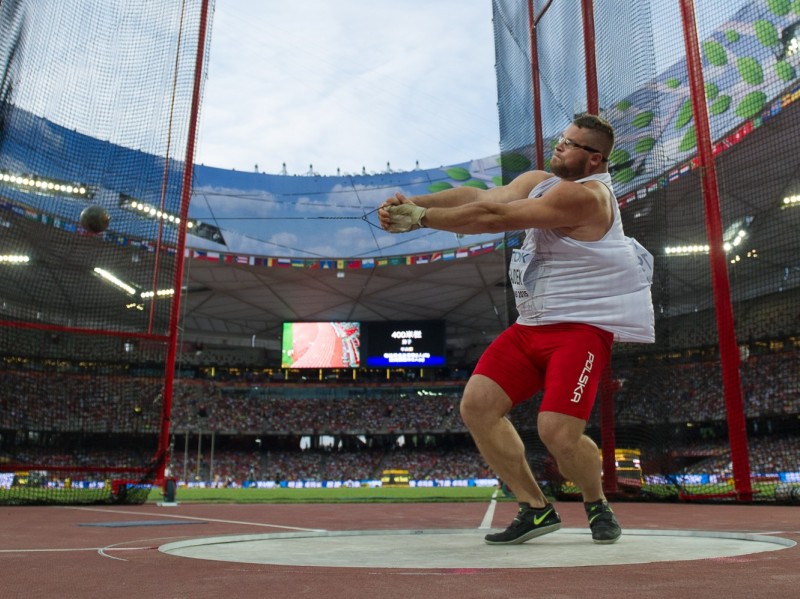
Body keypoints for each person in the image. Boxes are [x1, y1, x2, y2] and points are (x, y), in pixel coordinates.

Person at [379, 113, 654, 545]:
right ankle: (535, 507)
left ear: (595, 158)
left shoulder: (588, 198)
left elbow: (493, 216)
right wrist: (409, 202)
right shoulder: (540, 180)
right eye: (561, 139)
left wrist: (422, 218)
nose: (559, 146)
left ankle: (596, 501)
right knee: (477, 406)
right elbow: (480, 194)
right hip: (530, 327)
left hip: (580, 329)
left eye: (571, 144)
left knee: (558, 434)